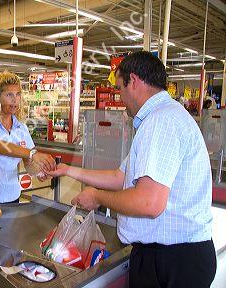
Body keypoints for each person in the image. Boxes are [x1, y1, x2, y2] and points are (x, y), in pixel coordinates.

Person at [48, 51, 216, 288]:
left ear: (134, 81)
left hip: (171, 262)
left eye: (120, 88)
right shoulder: (160, 118)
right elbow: (121, 177)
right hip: (175, 257)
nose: (120, 97)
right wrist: (68, 171)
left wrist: (97, 196)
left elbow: (149, 203)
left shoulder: (161, 121)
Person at [0, 71, 56, 204]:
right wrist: (33, 154)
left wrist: (39, 172)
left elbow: (28, 164)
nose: (15, 100)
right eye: (9, 95)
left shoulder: (22, 128)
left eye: (18, 94)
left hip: (12, 195)